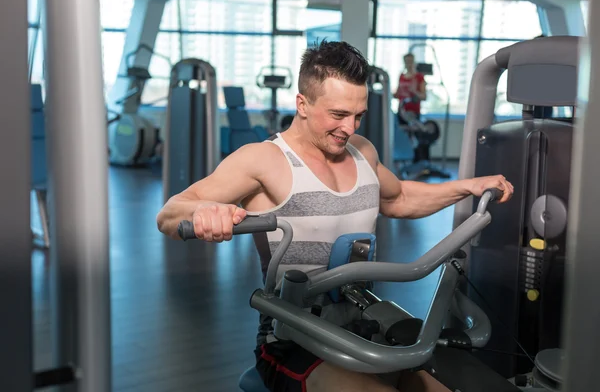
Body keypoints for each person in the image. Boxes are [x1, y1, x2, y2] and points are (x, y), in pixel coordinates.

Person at [156, 40, 514, 392]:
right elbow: (171, 212)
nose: (351, 128)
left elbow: (400, 197)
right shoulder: (264, 160)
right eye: (339, 115)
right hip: (293, 339)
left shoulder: (362, 151)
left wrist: (468, 185)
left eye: (358, 115)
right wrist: (206, 211)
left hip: (363, 324)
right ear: (303, 104)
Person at [393, 52, 427, 124]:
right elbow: (397, 94)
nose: (409, 64)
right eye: (407, 62)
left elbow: (424, 96)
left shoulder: (419, 77)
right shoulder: (401, 76)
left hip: (413, 113)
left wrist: (414, 91)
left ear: (414, 62)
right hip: (401, 111)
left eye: (410, 61)